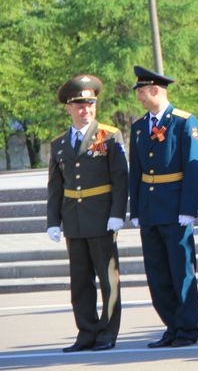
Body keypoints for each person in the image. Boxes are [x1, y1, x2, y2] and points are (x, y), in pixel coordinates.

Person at [47, 75, 127, 352]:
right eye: (79, 105)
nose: (86, 110)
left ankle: (107, 333)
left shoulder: (108, 135)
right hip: (74, 219)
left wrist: (118, 213)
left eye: (90, 104)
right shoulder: (58, 143)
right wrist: (52, 221)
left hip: (102, 216)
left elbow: (120, 178)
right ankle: (86, 332)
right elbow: (55, 186)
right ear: (68, 108)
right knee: (80, 281)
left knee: (107, 280)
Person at [129, 66, 198, 347]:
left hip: (175, 210)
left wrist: (188, 209)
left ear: (155, 90)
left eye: (142, 93)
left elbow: (193, 169)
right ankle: (172, 326)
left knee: (181, 271)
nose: (139, 98)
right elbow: (135, 170)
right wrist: (135, 210)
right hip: (149, 211)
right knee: (157, 273)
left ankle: (187, 329)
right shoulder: (138, 127)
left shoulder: (184, 122)